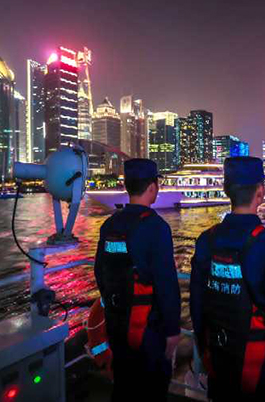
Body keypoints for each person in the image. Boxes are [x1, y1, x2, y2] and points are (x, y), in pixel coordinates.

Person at [190, 156, 265, 402]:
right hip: (258, 365)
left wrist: (204, 349)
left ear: (225, 189)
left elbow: (197, 302)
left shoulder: (207, 240)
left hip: (217, 355)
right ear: (260, 192)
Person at [94, 158, 181, 402]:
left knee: (123, 384)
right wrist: (173, 330)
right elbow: (166, 284)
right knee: (152, 388)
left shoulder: (109, 224)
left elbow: (99, 272)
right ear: (153, 187)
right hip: (147, 330)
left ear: (127, 185)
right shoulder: (156, 227)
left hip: (116, 323)